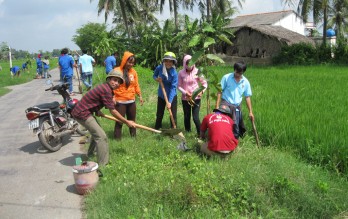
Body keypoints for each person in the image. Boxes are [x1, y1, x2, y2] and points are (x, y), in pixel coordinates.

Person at [71, 70, 136, 166]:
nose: (116, 83)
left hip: (85, 111)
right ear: (109, 79)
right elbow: (113, 111)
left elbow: (93, 101)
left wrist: (97, 111)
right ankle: (103, 164)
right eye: (114, 80)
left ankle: (90, 154)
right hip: (82, 113)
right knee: (101, 137)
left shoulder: (106, 88)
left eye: (118, 82)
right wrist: (126, 122)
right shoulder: (106, 90)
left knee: (96, 133)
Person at [219, 61, 254, 139]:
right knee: (223, 122)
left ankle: (234, 143)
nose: (238, 75)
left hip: (237, 106)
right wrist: (217, 106)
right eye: (236, 72)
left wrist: (250, 112)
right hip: (226, 103)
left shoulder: (245, 82)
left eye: (240, 73)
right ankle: (222, 139)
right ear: (234, 69)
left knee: (235, 126)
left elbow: (247, 97)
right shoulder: (226, 78)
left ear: (243, 72)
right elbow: (219, 91)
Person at [113, 51, 144, 140]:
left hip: (131, 101)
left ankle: (133, 138)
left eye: (132, 63)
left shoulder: (133, 72)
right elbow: (111, 85)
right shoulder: (116, 71)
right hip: (120, 101)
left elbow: (136, 84)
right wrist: (113, 96)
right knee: (119, 121)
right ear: (124, 60)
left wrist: (140, 95)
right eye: (129, 62)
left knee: (132, 121)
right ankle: (117, 139)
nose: (130, 64)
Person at [178, 54, 208, 136]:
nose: (190, 66)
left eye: (191, 63)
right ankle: (188, 132)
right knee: (187, 116)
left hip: (196, 98)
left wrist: (201, 91)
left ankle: (200, 134)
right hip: (185, 98)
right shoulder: (181, 73)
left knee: (195, 117)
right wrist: (185, 93)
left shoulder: (198, 71)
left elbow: (205, 84)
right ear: (184, 63)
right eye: (188, 64)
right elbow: (179, 86)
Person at [153, 52, 178, 130]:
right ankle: (157, 128)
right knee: (159, 113)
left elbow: (173, 88)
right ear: (163, 61)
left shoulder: (174, 73)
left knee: (173, 114)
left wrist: (169, 102)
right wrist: (157, 79)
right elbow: (154, 75)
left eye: (170, 61)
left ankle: (174, 129)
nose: (168, 63)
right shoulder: (159, 68)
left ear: (173, 62)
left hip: (172, 96)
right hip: (161, 95)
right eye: (166, 61)